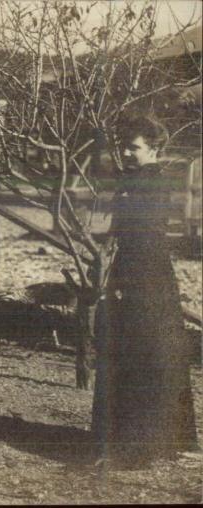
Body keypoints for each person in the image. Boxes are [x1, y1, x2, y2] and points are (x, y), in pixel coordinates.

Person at [91, 115, 199, 466]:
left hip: (147, 273)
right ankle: (129, 438)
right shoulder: (133, 179)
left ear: (154, 148)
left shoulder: (153, 182)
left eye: (134, 147)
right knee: (132, 351)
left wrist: (126, 277)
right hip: (132, 268)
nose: (126, 152)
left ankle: (150, 443)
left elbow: (144, 235)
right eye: (124, 146)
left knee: (151, 352)